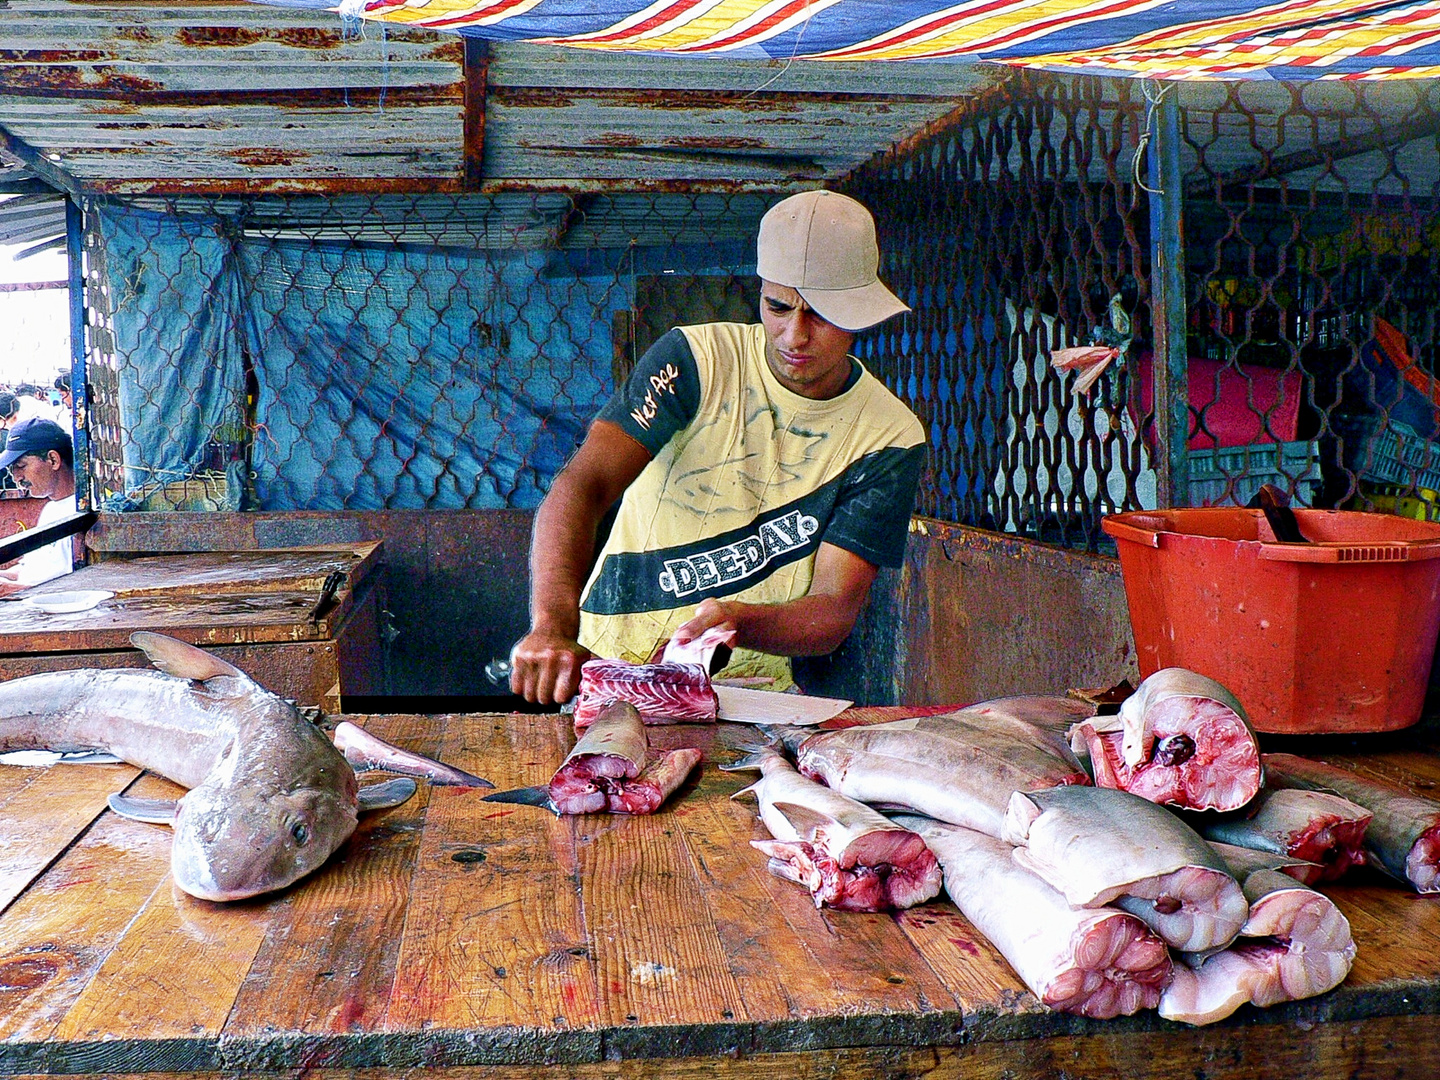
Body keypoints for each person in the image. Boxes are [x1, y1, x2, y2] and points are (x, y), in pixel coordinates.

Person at [511, 189, 926, 704]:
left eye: (820, 314)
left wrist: (736, 622)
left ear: (861, 312)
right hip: (605, 669)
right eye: (777, 306)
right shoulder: (695, 360)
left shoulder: (890, 436)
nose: (794, 335)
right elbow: (583, 484)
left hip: (751, 695)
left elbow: (832, 612)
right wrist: (552, 624)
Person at [0, 418, 78, 596]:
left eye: (21, 466)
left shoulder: (81, 512)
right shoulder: (50, 509)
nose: (16, 478)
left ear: (53, 460)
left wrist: (14, 589)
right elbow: (33, 571)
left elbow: (77, 586)